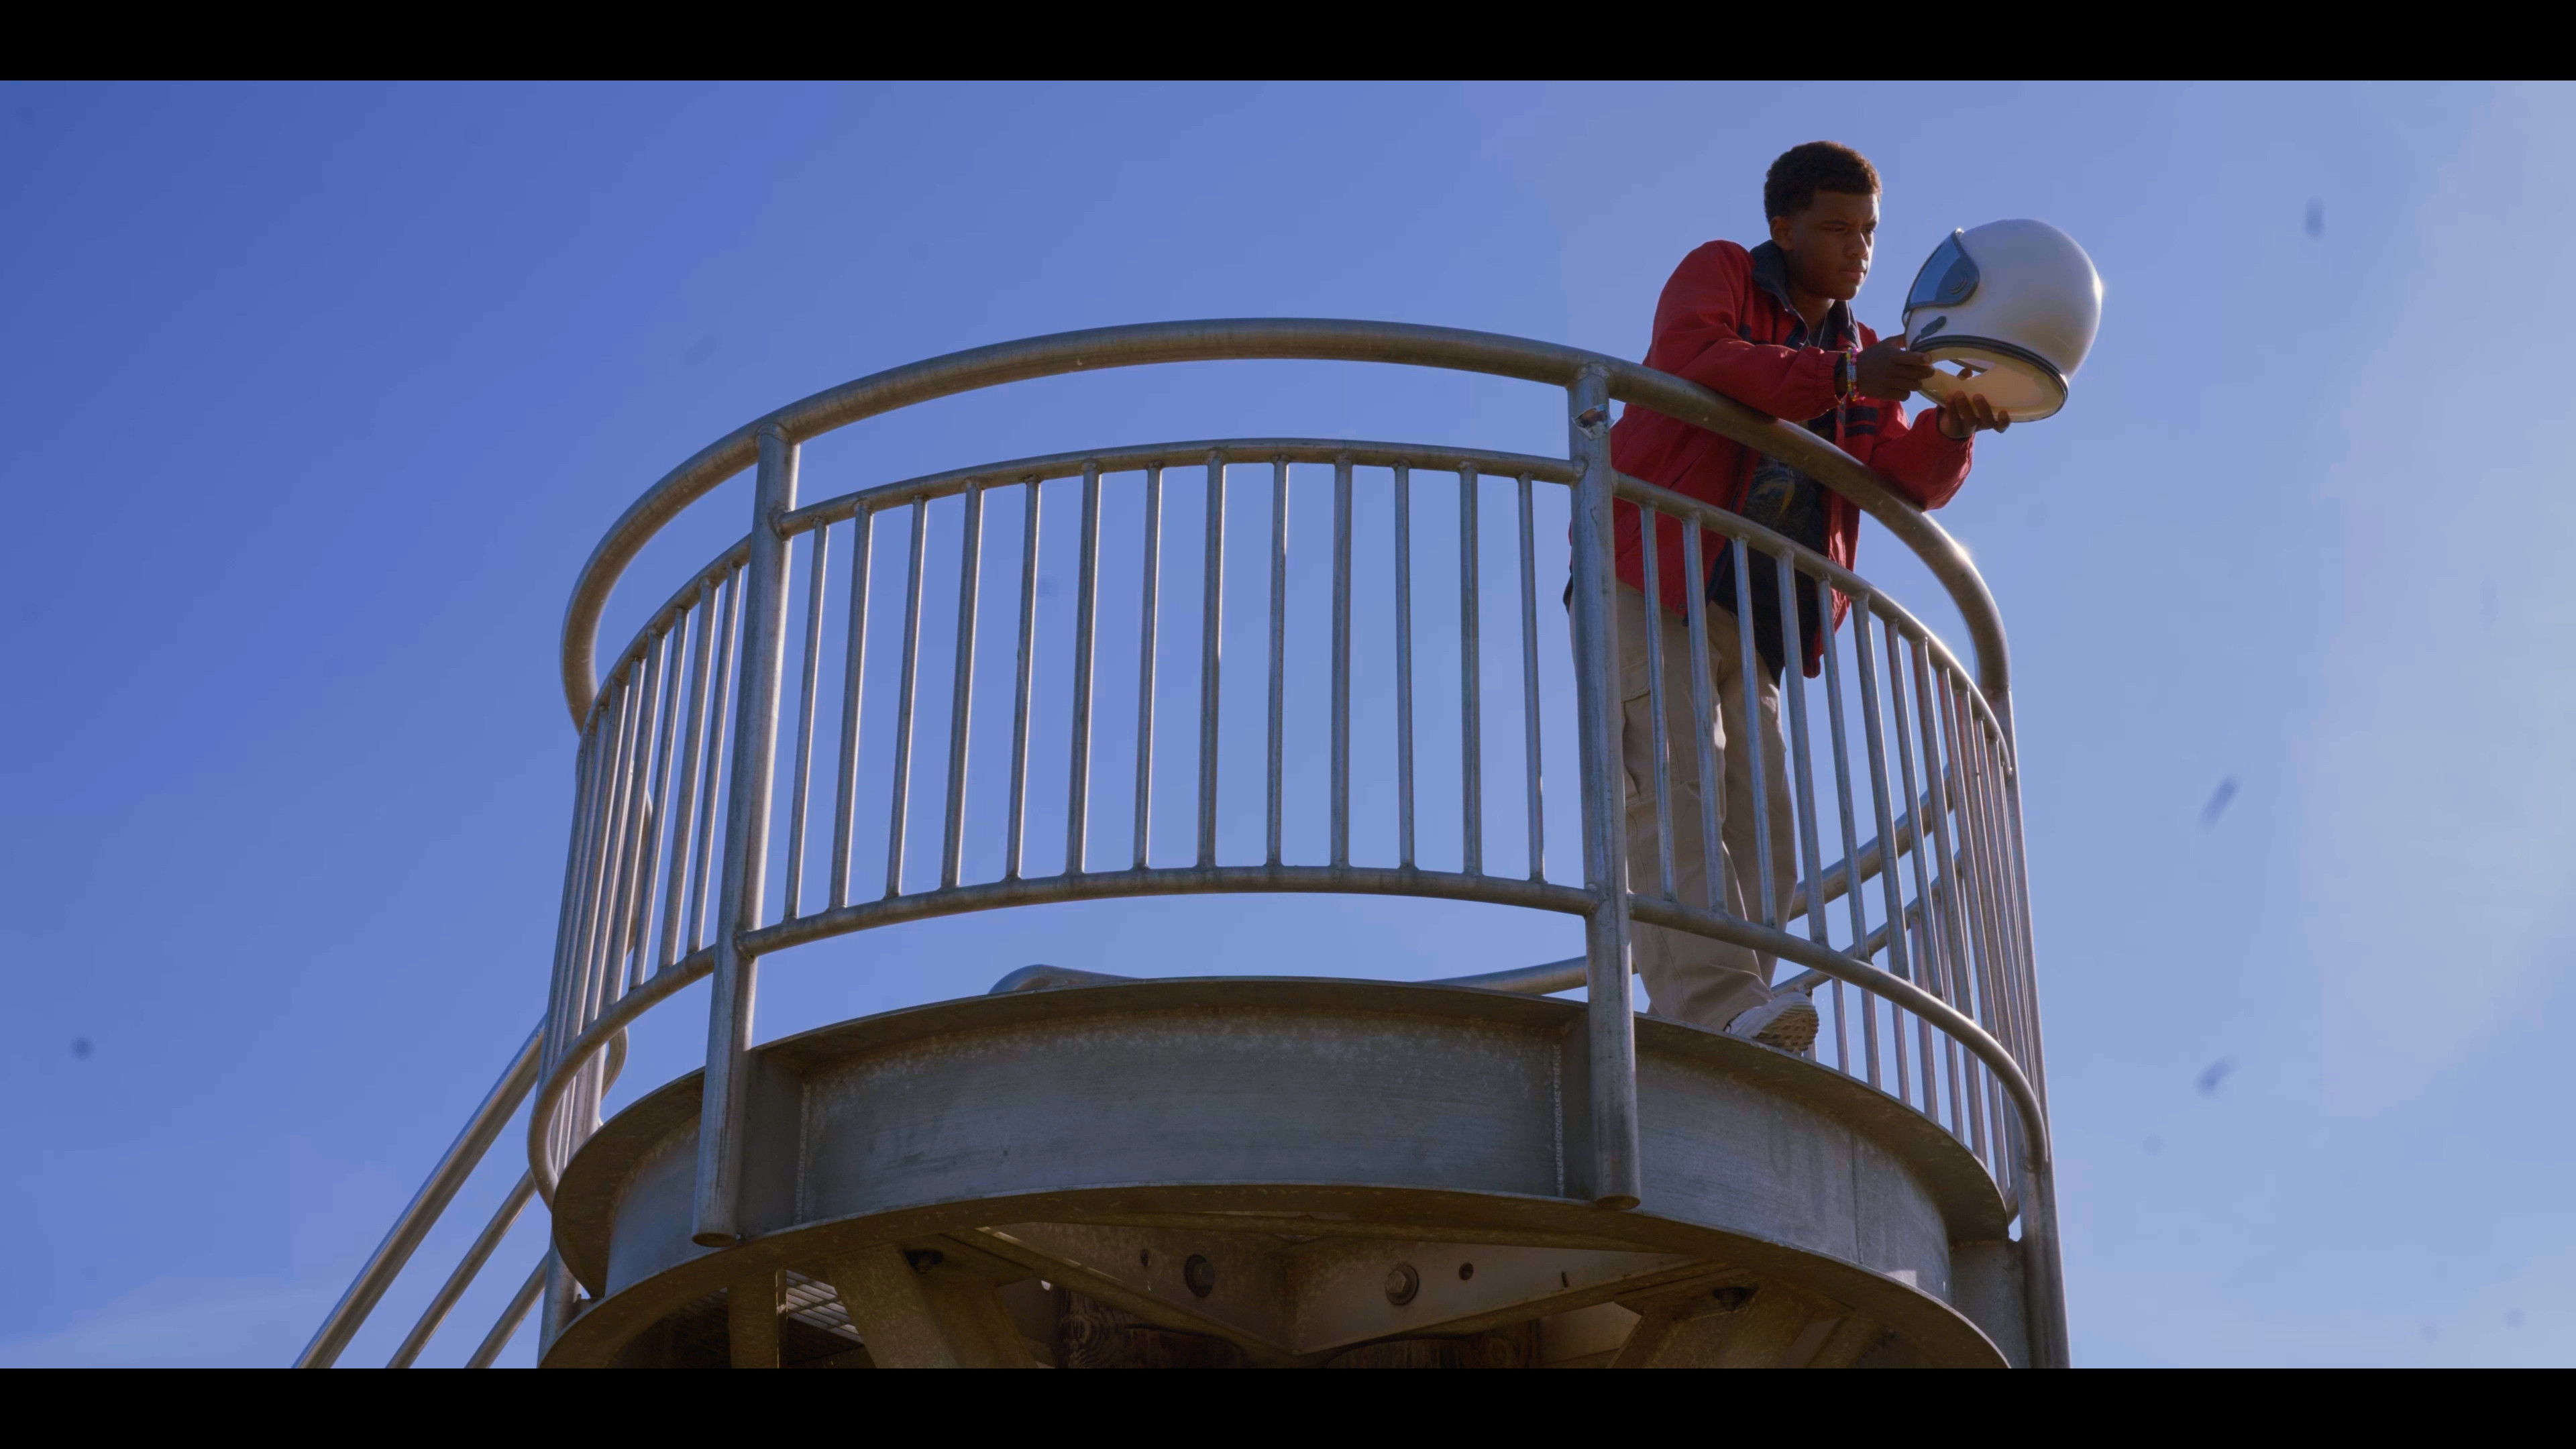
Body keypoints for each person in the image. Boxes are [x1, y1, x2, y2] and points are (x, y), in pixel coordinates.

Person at [1601, 141, 2011, 1051]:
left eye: (1868, 232)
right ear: (1783, 229)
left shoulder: (1858, 350)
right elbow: (1700, 357)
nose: (1857, 249)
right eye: (1835, 228)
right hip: (1656, 570)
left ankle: (1739, 1008)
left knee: (1765, 822)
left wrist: (1949, 429)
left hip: (1760, 607)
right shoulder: (1725, 274)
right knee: (1671, 783)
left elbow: (1898, 471)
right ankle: (1710, 1008)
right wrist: (1843, 379)